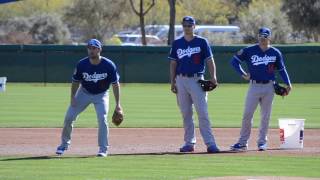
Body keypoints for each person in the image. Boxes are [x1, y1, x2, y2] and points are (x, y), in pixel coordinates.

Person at [55, 39, 122, 157]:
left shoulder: (109, 65)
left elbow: (115, 85)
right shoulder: (82, 64)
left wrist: (118, 105)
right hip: (84, 93)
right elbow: (75, 82)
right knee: (69, 117)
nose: (91, 50)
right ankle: (64, 145)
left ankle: (103, 149)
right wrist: (72, 97)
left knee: (102, 119)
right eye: (89, 48)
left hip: (102, 94)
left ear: (99, 49)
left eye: (94, 48)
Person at [230, 27, 292, 151]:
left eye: (265, 37)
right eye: (261, 37)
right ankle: (242, 143)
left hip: (269, 86)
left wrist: (288, 83)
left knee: (265, 116)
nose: (262, 39)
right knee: (247, 115)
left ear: (269, 37)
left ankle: (262, 142)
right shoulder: (249, 50)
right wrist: (243, 74)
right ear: (258, 37)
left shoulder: (275, 52)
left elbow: (281, 69)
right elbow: (234, 61)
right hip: (254, 85)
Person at [168, 16, 219, 153]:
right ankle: (189, 143)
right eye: (185, 25)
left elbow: (210, 60)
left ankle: (210, 143)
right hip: (181, 79)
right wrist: (172, 81)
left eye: (190, 25)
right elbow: (173, 64)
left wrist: (213, 76)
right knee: (186, 113)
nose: (187, 27)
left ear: (194, 26)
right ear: (182, 26)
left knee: (202, 112)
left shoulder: (202, 42)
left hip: (197, 79)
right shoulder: (177, 43)